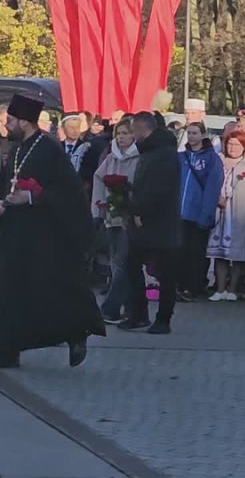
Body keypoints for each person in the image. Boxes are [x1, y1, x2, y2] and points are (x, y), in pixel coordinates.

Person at [0, 94, 104, 367]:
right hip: (14, 231)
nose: (6, 125)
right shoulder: (19, 147)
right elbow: (8, 184)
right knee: (8, 289)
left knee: (48, 290)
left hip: (43, 234)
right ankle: (7, 350)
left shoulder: (49, 149)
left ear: (24, 121)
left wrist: (32, 198)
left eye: (10, 120)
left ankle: (75, 333)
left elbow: (69, 193)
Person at [121, 112, 183, 334]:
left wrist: (139, 209)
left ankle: (163, 318)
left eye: (134, 131)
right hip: (144, 223)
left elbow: (158, 189)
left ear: (141, 129)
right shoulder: (151, 152)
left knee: (166, 272)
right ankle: (138, 313)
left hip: (160, 222)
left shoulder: (163, 154)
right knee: (132, 264)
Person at [92, 118, 140, 323]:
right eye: (119, 133)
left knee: (122, 262)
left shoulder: (139, 158)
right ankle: (127, 307)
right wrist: (98, 208)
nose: (121, 137)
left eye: (126, 133)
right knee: (117, 262)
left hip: (128, 218)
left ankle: (111, 307)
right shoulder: (111, 158)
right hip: (111, 216)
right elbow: (99, 180)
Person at [207, 131, 245, 301]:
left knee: (237, 254)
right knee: (219, 254)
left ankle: (233, 289)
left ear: (244, 147)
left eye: (237, 145)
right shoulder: (218, 160)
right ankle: (220, 288)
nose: (233, 148)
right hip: (219, 211)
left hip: (239, 212)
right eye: (230, 144)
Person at [177, 122, 225, 298]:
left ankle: (194, 286)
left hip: (199, 213)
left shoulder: (212, 159)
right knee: (180, 251)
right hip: (180, 212)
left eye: (195, 133)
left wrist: (206, 213)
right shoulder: (181, 157)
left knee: (196, 253)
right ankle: (180, 285)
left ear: (203, 135)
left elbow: (213, 187)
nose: (191, 136)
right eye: (189, 133)